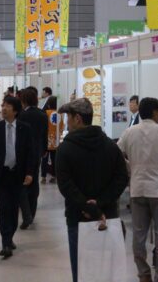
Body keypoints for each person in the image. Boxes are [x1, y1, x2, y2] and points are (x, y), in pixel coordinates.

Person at [56, 98, 128, 282]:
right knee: (108, 271)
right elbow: (122, 178)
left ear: (78, 119)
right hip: (107, 216)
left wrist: (86, 206)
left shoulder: (65, 149)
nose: (67, 122)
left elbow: (65, 184)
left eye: (69, 117)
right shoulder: (110, 146)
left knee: (82, 271)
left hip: (77, 218)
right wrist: (101, 203)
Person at [118, 97, 158, 282]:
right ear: (155, 112)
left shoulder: (129, 132)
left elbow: (116, 153)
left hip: (137, 189)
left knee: (138, 235)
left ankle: (143, 274)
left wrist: (130, 168)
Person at [0, 95, 37, 259]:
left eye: (7, 106)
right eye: (3, 105)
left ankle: (9, 236)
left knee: (13, 209)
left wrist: (30, 173)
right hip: (1, 174)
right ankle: (5, 242)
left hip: (18, 175)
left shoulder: (25, 129)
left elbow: (31, 153)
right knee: (3, 207)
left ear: (15, 110)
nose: (3, 108)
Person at [18, 86, 48, 228]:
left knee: (22, 183)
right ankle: (32, 212)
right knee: (34, 182)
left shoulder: (21, 115)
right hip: (37, 152)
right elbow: (44, 134)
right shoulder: (42, 114)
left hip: (22, 153)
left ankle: (26, 214)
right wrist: (44, 149)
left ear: (24, 100)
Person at [42, 95, 63, 184]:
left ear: (49, 104)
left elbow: (43, 126)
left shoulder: (45, 113)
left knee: (44, 159)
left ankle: (43, 177)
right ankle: (54, 176)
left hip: (46, 140)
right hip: (56, 140)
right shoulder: (60, 114)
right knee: (55, 159)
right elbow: (62, 127)